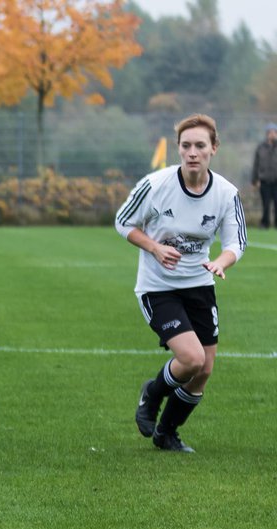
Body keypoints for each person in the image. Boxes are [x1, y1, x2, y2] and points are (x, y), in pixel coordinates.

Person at [117, 114, 246, 453]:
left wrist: (220, 262)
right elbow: (122, 221)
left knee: (204, 370)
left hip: (200, 284)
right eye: (186, 145)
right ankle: (152, 393)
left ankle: (167, 433)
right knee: (190, 359)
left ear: (213, 149)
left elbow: (236, 243)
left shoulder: (225, 193)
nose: (192, 152)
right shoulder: (156, 185)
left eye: (200, 145)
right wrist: (155, 247)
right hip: (158, 286)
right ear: (178, 149)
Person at [251, 122, 277, 229]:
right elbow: (256, 164)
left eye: (274, 132)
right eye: (270, 132)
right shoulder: (261, 147)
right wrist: (255, 180)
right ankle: (264, 223)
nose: (272, 134)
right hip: (264, 180)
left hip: (276, 181)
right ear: (267, 134)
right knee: (265, 204)